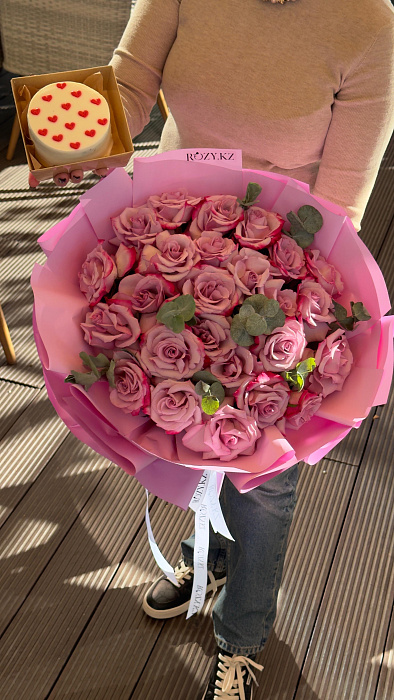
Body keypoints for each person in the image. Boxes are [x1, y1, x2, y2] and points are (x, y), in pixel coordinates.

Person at [41, 0, 394, 697]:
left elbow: (342, 202)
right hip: (161, 240)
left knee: (263, 470)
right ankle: (209, 557)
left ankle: (243, 636)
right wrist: (73, 140)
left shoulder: (368, 23)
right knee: (189, 427)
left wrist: (285, 311)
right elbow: (131, 85)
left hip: (283, 265)